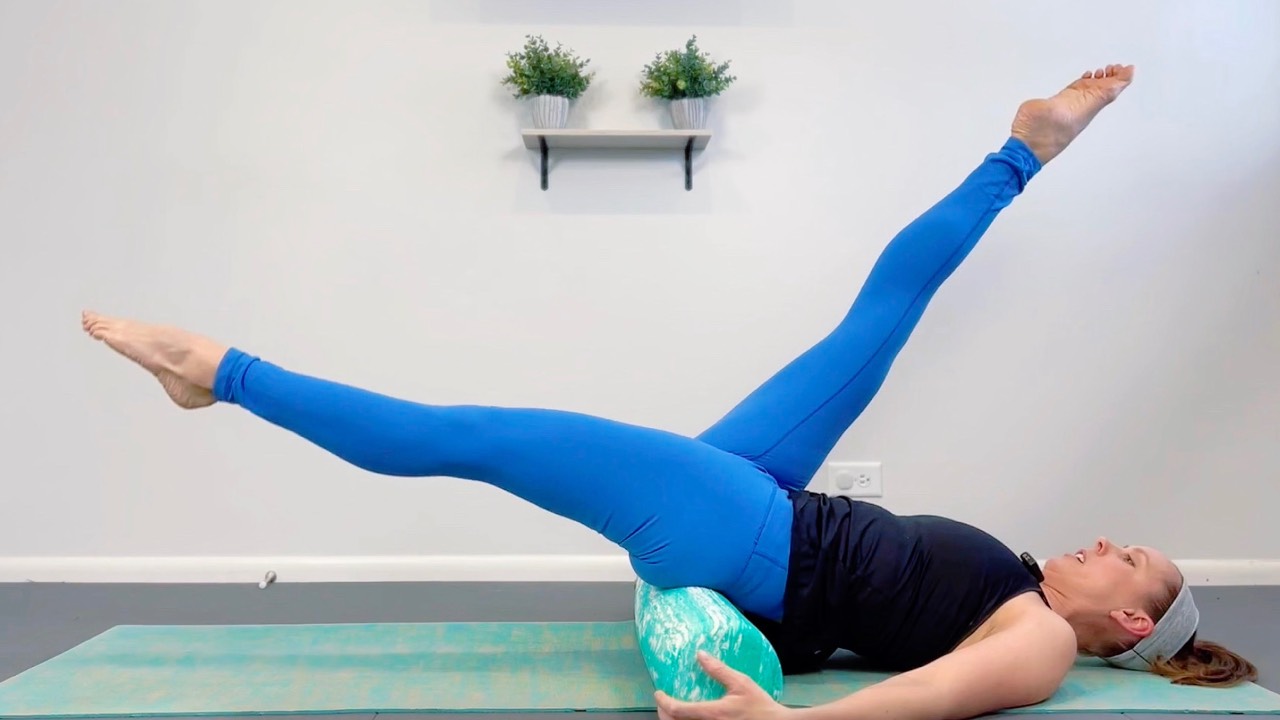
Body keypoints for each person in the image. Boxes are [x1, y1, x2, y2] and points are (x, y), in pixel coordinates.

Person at [81, 63, 1257, 720]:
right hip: (768, 498)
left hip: (744, 541)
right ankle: (1023, 151)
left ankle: (220, 376)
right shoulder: (1017, 581)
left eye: (1127, 557)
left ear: (1133, 622)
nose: (1103, 542)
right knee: (882, 317)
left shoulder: (1041, 640)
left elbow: (940, 696)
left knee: (480, 437)